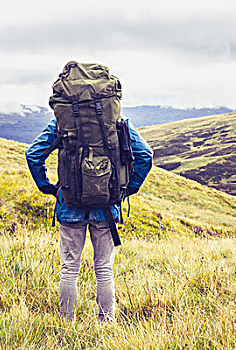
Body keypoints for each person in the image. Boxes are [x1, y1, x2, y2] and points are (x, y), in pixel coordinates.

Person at [25, 77, 153, 324]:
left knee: (69, 269)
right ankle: (107, 325)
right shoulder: (118, 124)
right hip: (107, 206)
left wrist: (47, 188)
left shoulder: (61, 124)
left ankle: (66, 324)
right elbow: (145, 156)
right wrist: (127, 190)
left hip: (70, 204)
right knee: (104, 269)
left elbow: (33, 154)